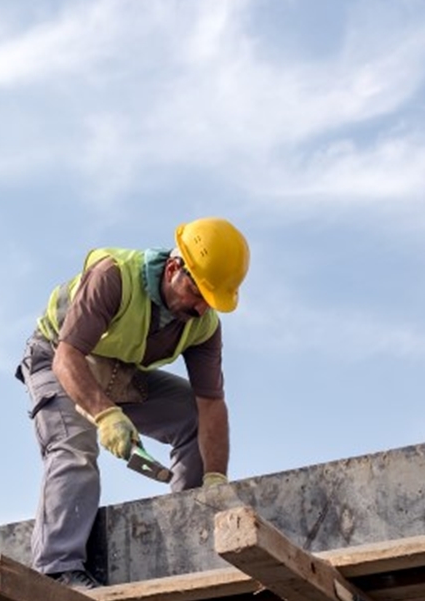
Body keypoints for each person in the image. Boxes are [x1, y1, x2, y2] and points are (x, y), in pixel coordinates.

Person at [15, 217, 250, 590]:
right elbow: (68, 357)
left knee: (190, 417)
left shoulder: (203, 327)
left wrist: (216, 479)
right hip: (56, 357)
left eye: (211, 300)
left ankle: (191, 531)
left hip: (117, 372)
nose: (203, 307)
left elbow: (210, 405)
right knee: (74, 449)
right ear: (174, 269)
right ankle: (58, 570)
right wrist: (105, 414)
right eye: (199, 293)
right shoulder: (114, 277)